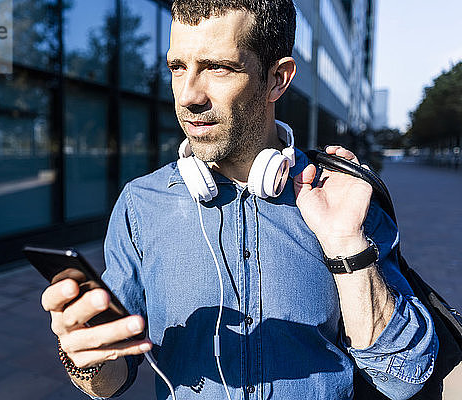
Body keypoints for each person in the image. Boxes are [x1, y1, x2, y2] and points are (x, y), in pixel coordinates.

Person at [41, 1, 438, 399]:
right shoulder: (141, 204)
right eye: (178, 67)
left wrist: (346, 244)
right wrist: (86, 355)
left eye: (217, 67)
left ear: (277, 79)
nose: (188, 95)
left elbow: (403, 378)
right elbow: (108, 384)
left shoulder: (340, 196)